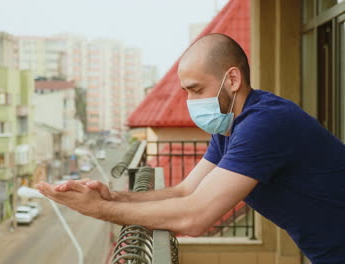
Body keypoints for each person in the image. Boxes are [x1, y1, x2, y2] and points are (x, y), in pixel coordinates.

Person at [35, 33, 345, 263]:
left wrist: (100, 210)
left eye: (197, 90)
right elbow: (186, 191)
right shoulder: (229, 126)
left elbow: (194, 218)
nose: (191, 103)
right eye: (186, 92)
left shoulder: (264, 123)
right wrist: (115, 196)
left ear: (232, 79)